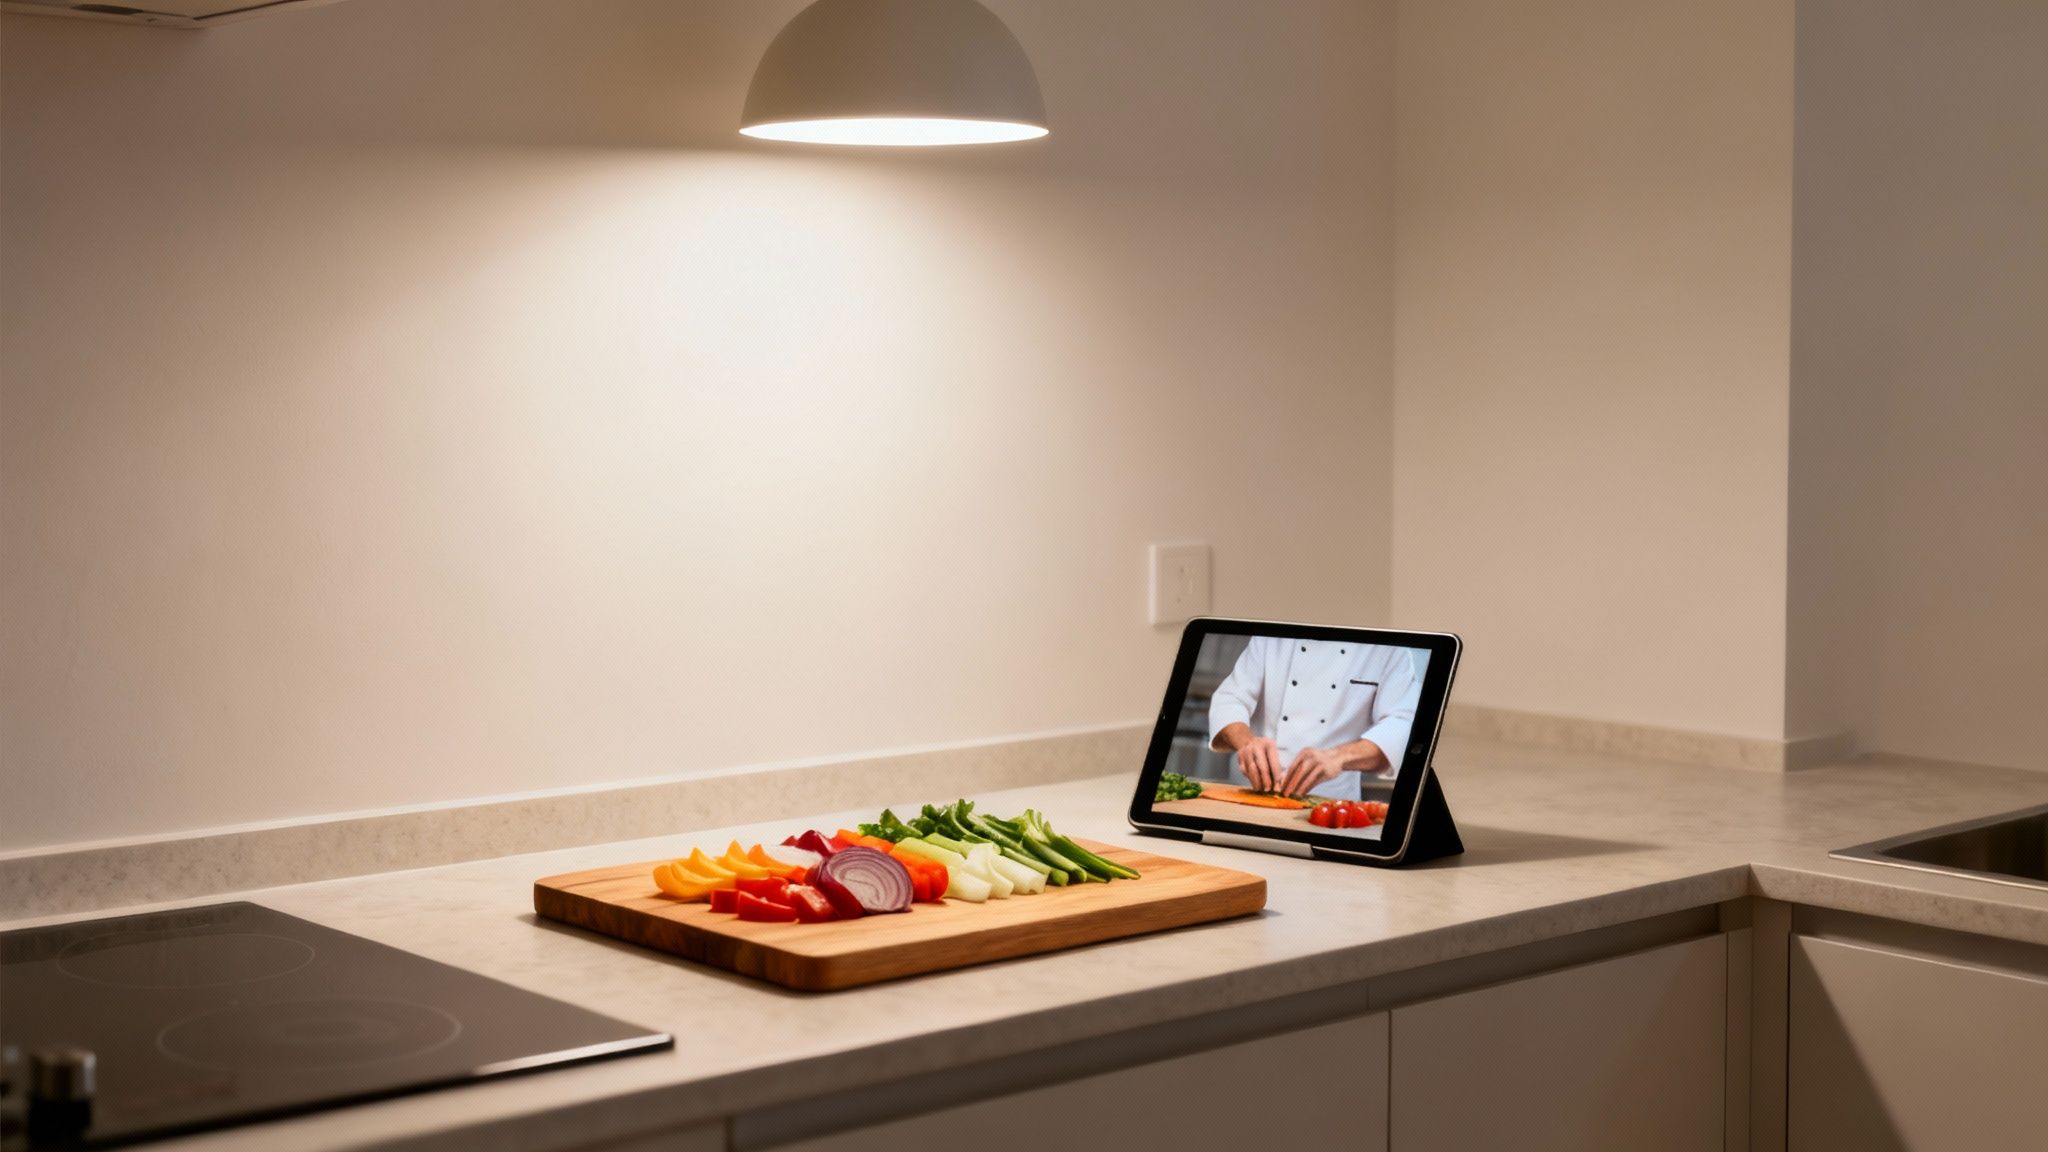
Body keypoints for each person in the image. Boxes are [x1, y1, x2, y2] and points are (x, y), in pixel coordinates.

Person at [1207, 636, 1421, 799]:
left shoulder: (1389, 647)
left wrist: (1338, 757)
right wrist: (1247, 743)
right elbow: (1230, 698)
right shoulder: (1272, 636)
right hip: (1252, 791)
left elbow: (1402, 725)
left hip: (1329, 801)